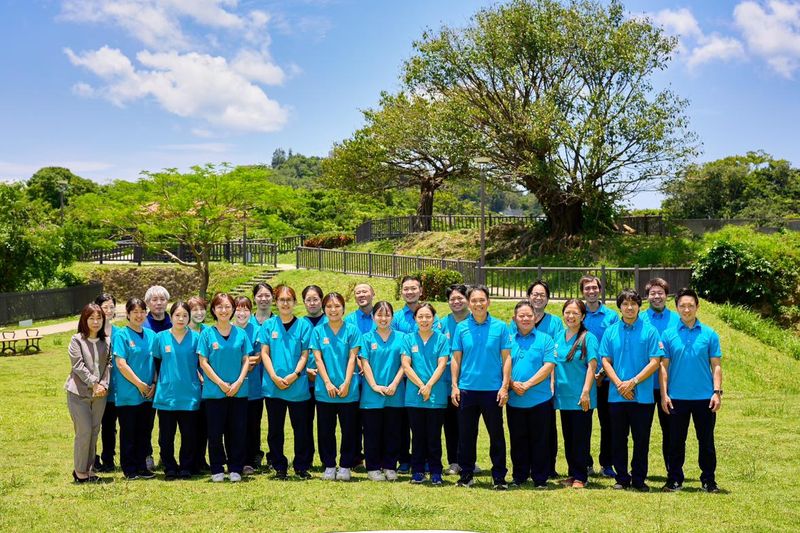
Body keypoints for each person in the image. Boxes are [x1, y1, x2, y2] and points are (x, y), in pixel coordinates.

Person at [660, 288, 723, 493]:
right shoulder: (668, 335)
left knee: (706, 442)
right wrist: (664, 394)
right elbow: (663, 367)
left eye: (690, 305)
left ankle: (708, 480)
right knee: (676, 442)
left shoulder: (709, 334)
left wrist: (717, 392)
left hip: (704, 398)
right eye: (682, 306)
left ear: (697, 307)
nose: (686, 310)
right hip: (676, 398)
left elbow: (716, 366)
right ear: (677, 308)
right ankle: (674, 479)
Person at [600, 289, 663, 492]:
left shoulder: (650, 331)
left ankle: (638, 478)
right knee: (618, 438)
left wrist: (633, 382)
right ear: (619, 307)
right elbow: (605, 360)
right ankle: (621, 478)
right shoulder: (611, 331)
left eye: (633, 304)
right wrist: (620, 384)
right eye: (625, 304)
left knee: (641, 439)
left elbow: (655, 361)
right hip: (616, 395)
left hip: (642, 396)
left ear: (639, 306)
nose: (629, 307)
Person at [451, 285, 512, 489]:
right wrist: (454, 386)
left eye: (482, 300)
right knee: (466, 435)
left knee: (496, 435)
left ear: (488, 302)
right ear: (469, 304)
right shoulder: (461, 327)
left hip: (492, 390)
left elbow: (507, 358)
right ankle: (466, 475)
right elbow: (456, 359)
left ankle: (499, 477)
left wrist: (504, 386)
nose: (478, 304)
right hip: (467, 389)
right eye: (474, 301)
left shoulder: (500, 327)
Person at [258, 285, 314, 480]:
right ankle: (279, 466)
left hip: (297, 386)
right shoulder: (268, 325)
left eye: (289, 300)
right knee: (275, 430)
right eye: (281, 300)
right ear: (276, 302)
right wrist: (274, 376)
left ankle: (301, 466)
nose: (285, 303)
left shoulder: (304, 326)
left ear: (295, 302)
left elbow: (305, 354)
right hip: (274, 387)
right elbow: (264, 353)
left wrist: (295, 375)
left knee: (301, 429)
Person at [197, 292, 252, 482]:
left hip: (238, 391)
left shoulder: (241, 333)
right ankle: (217, 468)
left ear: (233, 309)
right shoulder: (207, 334)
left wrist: (238, 382)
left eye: (228, 306)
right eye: (219, 307)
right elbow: (203, 362)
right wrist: (220, 383)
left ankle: (235, 467)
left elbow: (246, 360)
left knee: (237, 431)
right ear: (213, 310)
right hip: (214, 392)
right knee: (215, 433)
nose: (224, 310)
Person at [309, 292, 362, 481]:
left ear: (343, 308)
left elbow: (352, 358)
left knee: (349, 430)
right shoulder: (318, 331)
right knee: (326, 430)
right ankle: (329, 465)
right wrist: (327, 383)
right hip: (325, 390)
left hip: (348, 389)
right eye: (329, 306)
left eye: (337, 306)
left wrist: (346, 383)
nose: (333, 310)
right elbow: (318, 359)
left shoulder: (352, 330)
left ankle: (345, 465)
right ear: (324, 309)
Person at [506, 301, 556, 489]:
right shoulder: (508, 340)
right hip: (515, 400)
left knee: (540, 440)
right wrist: (512, 383)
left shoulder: (545, 340)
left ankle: (540, 478)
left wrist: (527, 384)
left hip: (540, 399)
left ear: (535, 318)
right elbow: (502, 365)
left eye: (529, 315)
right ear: (514, 319)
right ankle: (519, 476)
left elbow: (548, 365)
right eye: (521, 316)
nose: (525, 319)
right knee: (517, 439)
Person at [402, 303, 450, 485]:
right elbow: (406, 365)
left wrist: (429, 385)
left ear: (434, 319)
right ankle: (418, 471)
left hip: (436, 396)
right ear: (415, 319)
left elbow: (442, 364)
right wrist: (422, 385)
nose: (424, 320)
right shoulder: (408, 339)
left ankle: (436, 471)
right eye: (420, 316)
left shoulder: (441, 339)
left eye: (428, 316)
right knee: (418, 436)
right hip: (414, 396)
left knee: (434, 436)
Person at [151, 301, 201, 479]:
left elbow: (201, 364)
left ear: (189, 317)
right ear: (171, 317)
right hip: (167, 394)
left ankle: (186, 466)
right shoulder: (160, 338)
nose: (181, 319)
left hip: (189, 393)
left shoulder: (196, 338)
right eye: (177, 315)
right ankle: (170, 467)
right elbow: (156, 364)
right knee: (166, 436)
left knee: (189, 435)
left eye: (185, 315)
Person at [554, 299, 599, 489]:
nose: (570, 316)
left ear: (583, 316)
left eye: (575, 313)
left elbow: (592, 366)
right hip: (563, 396)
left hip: (581, 397)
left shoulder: (588, 338)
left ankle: (581, 476)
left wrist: (586, 391)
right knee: (569, 437)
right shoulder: (559, 336)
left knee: (580, 437)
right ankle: (573, 474)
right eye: (567, 312)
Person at [359, 301, 405, 482]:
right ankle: (373, 467)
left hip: (395, 392)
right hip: (372, 395)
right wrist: (374, 386)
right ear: (373, 317)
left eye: (387, 315)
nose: (383, 318)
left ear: (392, 317)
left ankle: (390, 466)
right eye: (379, 314)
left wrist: (394, 383)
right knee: (372, 433)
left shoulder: (402, 338)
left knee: (393, 432)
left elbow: (405, 364)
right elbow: (364, 363)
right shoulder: (366, 338)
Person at [65, 303, 111, 483]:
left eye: (99, 318)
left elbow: (108, 365)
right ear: (84, 320)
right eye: (91, 318)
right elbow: (78, 366)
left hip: (100, 394)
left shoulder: (106, 341)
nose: (95, 322)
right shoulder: (76, 340)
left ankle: (89, 470)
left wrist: (103, 385)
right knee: (84, 431)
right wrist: (94, 384)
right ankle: (79, 471)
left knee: (94, 431)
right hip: (78, 393)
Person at [112, 298, 157, 480]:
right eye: (135, 312)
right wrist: (140, 384)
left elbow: (157, 361)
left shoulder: (151, 335)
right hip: (129, 393)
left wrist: (154, 384)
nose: (139, 315)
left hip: (149, 393)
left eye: (142, 312)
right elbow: (121, 364)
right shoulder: (121, 335)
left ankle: (142, 466)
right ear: (128, 314)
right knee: (129, 432)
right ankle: (129, 468)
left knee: (145, 431)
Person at [639, 277, 681, 473]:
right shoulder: (639, 319)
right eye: (652, 293)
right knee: (641, 431)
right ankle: (640, 472)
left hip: (669, 386)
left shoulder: (677, 319)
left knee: (671, 431)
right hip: (645, 385)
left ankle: (672, 471)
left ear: (667, 295)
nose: (657, 296)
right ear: (647, 296)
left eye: (660, 293)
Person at [580, 275, 619, 477]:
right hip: (583, 378)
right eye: (587, 288)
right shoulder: (579, 314)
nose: (591, 291)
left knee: (608, 423)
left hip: (606, 378)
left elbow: (614, 347)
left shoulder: (611, 316)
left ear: (600, 290)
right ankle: (585, 463)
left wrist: (602, 373)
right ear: (582, 291)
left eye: (594, 287)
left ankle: (607, 464)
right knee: (583, 423)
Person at [525, 280, 564, 478]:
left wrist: (552, 381)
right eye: (535, 294)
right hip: (523, 382)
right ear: (528, 296)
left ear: (548, 299)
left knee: (547, 427)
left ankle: (548, 467)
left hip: (547, 381)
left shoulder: (554, 322)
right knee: (525, 427)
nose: (538, 298)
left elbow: (555, 355)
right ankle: (527, 466)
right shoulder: (520, 318)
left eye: (542, 295)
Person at [234, 296, 264, 475]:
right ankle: (235, 459)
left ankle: (250, 460)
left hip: (253, 389)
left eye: (246, 309)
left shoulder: (258, 330)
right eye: (238, 309)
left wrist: (235, 363)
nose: (242, 313)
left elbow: (258, 357)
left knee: (253, 426)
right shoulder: (227, 329)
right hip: (232, 388)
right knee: (235, 426)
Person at [142, 284, 171, 470]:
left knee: (167, 423)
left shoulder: (175, 321)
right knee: (147, 421)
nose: (158, 303)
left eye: (162, 299)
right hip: (149, 380)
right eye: (154, 300)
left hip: (169, 381)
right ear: (147, 303)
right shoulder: (142, 324)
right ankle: (146, 454)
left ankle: (166, 456)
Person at [442, 284, 469, 475]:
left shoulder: (475, 321)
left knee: (468, 424)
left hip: (469, 381)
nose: (456, 301)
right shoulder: (442, 323)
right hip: (446, 382)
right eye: (452, 299)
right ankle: (454, 461)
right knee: (450, 423)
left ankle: (468, 460)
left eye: (460, 298)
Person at [93, 293, 118, 473]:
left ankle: (109, 458)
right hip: (95, 387)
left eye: (111, 307)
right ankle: (92, 458)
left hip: (115, 387)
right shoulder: (92, 332)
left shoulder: (120, 333)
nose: (108, 311)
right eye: (105, 307)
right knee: (93, 426)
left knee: (110, 426)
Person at [301, 284, 325, 462]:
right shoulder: (300, 324)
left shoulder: (331, 321)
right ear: (303, 302)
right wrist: (305, 370)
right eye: (308, 300)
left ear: (321, 301)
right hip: (304, 381)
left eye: (315, 299)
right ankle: (306, 458)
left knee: (326, 424)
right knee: (304, 423)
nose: (312, 303)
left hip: (326, 382)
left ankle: (326, 459)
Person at [186, 296, 209, 472]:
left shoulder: (208, 331)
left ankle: (201, 459)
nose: (199, 313)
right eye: (195, 310)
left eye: (202, 309)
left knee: (205, 425)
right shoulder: (183, 332)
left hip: (208, 386)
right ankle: (190, 460)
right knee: (190, 425)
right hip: (189, 385)